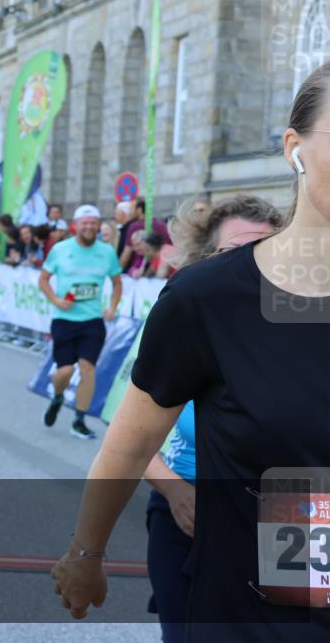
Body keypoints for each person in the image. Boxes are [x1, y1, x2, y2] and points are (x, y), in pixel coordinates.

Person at [51, 63, 330, 642]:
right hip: (257, 612)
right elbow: (129, 445)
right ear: (294, 148)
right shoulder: (208, 300)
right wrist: (86, 553)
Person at [141, 194, 283, 643]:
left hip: (287, 516)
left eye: (261, 251)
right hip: (190, 511)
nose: (247, 267)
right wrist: (175, 490)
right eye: (231, 255)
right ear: (206, 260)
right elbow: (129, 443)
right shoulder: (182, 325)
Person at [37, 204, 123, 439]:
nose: (90, 227)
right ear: (76, 225)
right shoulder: (61, 249)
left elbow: (117, 282)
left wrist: (112, 307)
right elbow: (43, 279)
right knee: (63, 372)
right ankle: (57, 396)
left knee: (88, 369)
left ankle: (79, 419)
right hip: (64, 320)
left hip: (92, 321)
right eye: (85, 223)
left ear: (98, 226)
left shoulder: (106, 252)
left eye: (94, 223)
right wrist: (56, 300)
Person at [118, 198, 172, 271]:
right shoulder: (161, 225)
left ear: (139, 210)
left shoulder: (134, 226)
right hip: (159, 269)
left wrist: (117, 273)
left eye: (131, 209)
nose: (129, 212)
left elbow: (127, 254)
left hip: (141, 271)